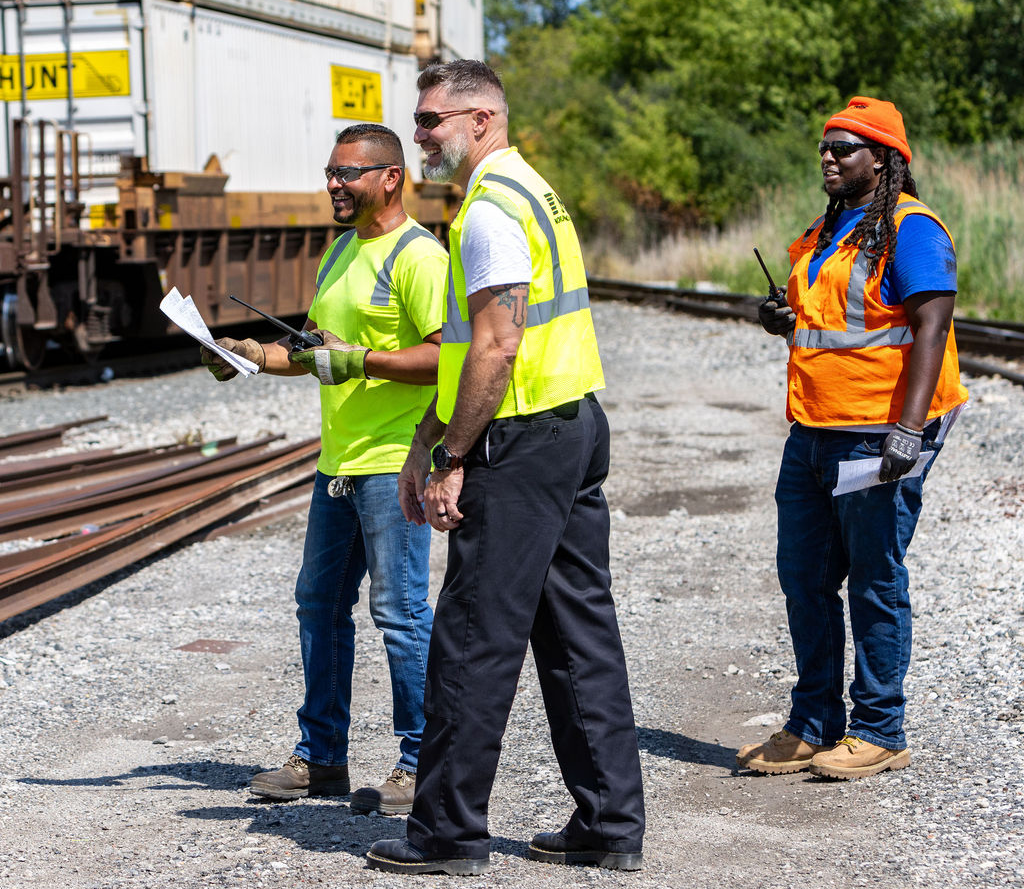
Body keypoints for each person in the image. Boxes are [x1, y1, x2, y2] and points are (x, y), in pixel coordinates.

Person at [365, 59, 645, 877]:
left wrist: (453, 454)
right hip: (571, 423)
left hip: (520, 438)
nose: (418, 135)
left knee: (472, 638)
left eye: (430, 121)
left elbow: (497, 343)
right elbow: (468, 346)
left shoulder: (489, 210)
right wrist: (428, 431)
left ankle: (447, 834)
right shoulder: (532, 190)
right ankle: (609, 823)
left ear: (481, 119)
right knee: (577, 632)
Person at [200, 124, 449, 814]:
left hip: (394, 461)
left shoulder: (419, 258)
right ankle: (322, 758)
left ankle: (423, 759)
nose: (334, 185)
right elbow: (314, 352)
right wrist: (247, 354)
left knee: (398, 611)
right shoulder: (339, 252)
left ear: (391, 177)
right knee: (319, 606)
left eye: (350, 174)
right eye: (331, 173)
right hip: (336, 462)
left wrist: (361, 358)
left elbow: (444, 356)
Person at [738, 97, 968, 780]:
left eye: (845, 148)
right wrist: (784, 316)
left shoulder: (912, 228)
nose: (829, 158)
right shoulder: (829, 228)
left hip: (876, 435)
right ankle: (814, 721)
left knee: (873, 580)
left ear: (886, 159)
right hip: (811, 430)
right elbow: (833, 317)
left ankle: (880, 727)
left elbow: (931, 325)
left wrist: (907, 428)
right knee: (804, 579)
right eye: (824, 148)